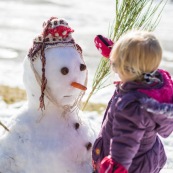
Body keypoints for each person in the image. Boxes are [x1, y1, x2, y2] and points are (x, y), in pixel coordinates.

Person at [92, 30, 173, 173]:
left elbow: (125, 141)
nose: (115, 68)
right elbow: (141, 60)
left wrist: (116, 166)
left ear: (128, 69)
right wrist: (118, 54)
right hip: (146, 158)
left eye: (116, 64)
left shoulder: (132, 107)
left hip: (129, 165)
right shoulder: (151, 84)